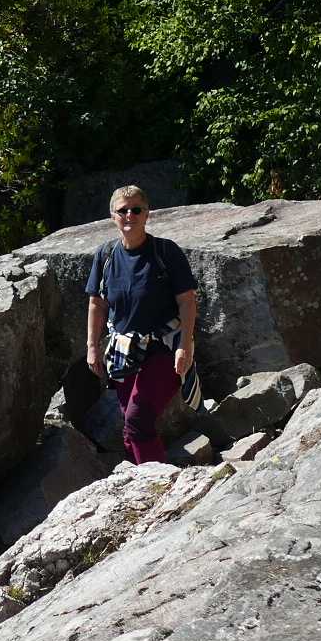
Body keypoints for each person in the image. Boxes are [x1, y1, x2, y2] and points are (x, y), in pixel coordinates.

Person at [83, 186, 200, 463]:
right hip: (124, 351)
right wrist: (92, 346)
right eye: (123, 210)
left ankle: (161, 480)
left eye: (136, 209)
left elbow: (187, 301)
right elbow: (97, 304)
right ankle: (144, 478)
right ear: (113, 216)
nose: (129, 215)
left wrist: (184, 346)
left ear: (147, 214)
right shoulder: (106, 255)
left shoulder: (165, 252)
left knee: (137, 420)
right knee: (130, 425)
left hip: (165, 348)